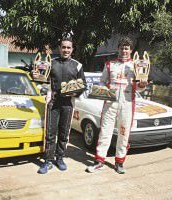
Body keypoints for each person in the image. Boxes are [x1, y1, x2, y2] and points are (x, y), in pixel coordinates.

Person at [86, 37, 147, 174]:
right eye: (121, 48)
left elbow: (139, 87)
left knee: (124, 133)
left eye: (126, 48)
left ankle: (119, 162)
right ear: (118, 49)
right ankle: (99, 161)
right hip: (110, 103)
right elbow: (102, 81)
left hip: (127, 103)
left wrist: (142, 84)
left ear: (131, 50)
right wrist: (101, 91)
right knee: (105, 132)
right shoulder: (109, 64)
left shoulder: (137, 65)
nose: (124, 50)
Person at [33, 37, 86, 174]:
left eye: (69, 47)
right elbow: (41, 78)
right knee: (50, 133)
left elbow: (83, 85)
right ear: (59, 48)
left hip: (68, 103)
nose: (66, 50)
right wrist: (35, 75)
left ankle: (60, 158)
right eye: (64, 47)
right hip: (53, 102)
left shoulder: (77, 65)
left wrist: (75, 93)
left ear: (72, 49)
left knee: (64, 133)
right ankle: (48, 161)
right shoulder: (51, 63)